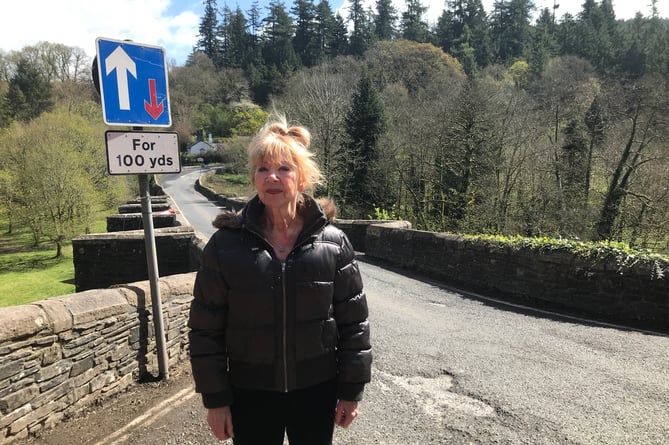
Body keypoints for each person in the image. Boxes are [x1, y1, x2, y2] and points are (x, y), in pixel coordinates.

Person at [188, 116, 372, 445]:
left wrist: (351, 391)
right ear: (254, 178)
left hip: (316, 391)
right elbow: (205, 329)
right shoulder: (225, 245)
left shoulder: (333, 242)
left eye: (284, 168)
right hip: (250, 393)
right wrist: (216, 400)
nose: (272, 176)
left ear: (301, 179)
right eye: (262, 168)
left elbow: (353, 324)